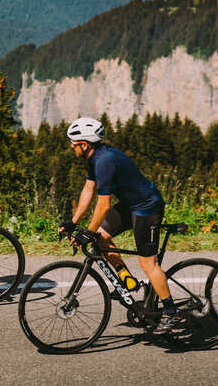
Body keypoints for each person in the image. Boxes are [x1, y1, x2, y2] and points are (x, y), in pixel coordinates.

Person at [59, 117, 180, 333]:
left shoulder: (104, 161)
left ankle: (171, 313)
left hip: (147, 208)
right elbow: (88, 190)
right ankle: (127, 280)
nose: (71, 146)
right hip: (130, 205)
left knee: (148, 264)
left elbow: (103, 204)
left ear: (84, 144)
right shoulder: (93, 157)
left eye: (73, 143)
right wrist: (73, 221)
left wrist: (88, 232)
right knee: (101, 238)